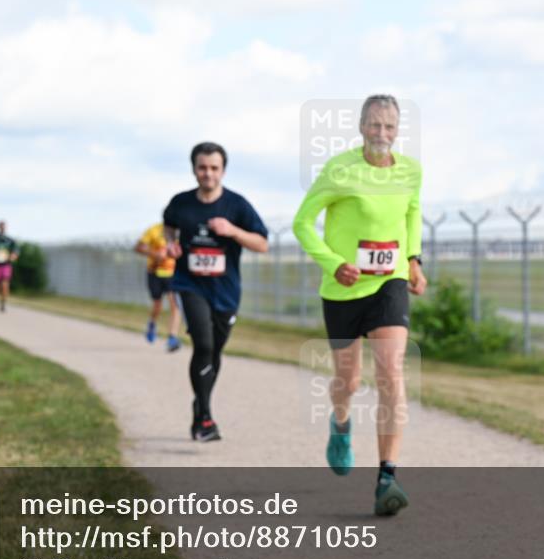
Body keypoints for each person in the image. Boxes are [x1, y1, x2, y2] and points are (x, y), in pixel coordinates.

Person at [293, 94, 426, 516]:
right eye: (374, 125)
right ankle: (341, 422)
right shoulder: (339, 169)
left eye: (389, 126)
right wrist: (335, 264)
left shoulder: (411, 171)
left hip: (389, 283)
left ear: (398, 129)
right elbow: (302, 223)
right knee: (347, 381)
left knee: (390, 371)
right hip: (343, 290)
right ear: (361, 127)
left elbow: (411, 214)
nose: (382, 134)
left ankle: (388, 475)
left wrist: (413, 260)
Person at [163, 142, 269, 442]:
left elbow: (262, 244)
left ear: (222, 170)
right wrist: (171, 242)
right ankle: (205, 418)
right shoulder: (181, 203)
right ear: (193, 169)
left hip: (225, 291)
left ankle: (200, 403)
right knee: (204, 345)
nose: (207, 173)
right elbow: (169, 225)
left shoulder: (237, 205)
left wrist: (233, 231)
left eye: (213, 168)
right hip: (189, 284)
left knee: (215, 351)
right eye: (202, 167)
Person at [134, 219, 182, 351]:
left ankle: (172, 337)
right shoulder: (154, 230)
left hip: (173, 274)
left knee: (175, 305)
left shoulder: (182, 231)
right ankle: (152, 324)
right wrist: (155, 254)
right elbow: (138, 247)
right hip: (154, 273)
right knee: (158, 305)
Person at [0, 220, 19, 313]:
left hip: (6, 265)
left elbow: (16, 251)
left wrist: (13, 256)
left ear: (6, 227)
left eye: (4, 226)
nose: (2, 228)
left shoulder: (10, 240)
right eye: (1, 226)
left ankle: (3, 303)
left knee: (5, 284)